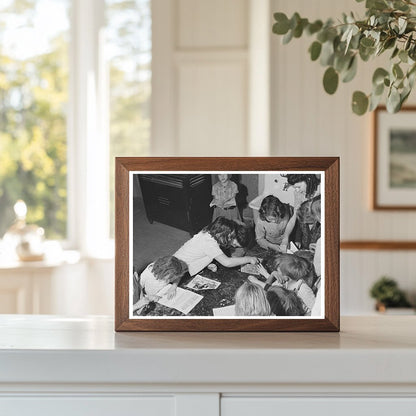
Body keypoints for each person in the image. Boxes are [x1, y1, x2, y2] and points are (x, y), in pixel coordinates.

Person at [174, 216, 257, 278]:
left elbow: (199, 251)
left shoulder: (209, 232)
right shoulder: (210, 243)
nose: (230, 240)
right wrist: (248, 259)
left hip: (182, 262)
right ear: (222, 234)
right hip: (175, 268)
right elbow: (227, 262)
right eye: (229, 237)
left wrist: (205, 264)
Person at [252, 254, 316, 315]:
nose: (276, 272)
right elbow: (269, 288)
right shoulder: (287, 282)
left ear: (286, 276)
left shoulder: (303, 290)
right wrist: (271, 275)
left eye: (278, 271)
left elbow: (317, 310)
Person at [280, 174, 321, 251]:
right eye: (295, 188)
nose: (297, 190)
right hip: (305, 230)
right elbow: (295, 217)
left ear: (308, 180)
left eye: (298, 187)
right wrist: (286, 237)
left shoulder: (321, 190)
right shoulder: (298, 193)